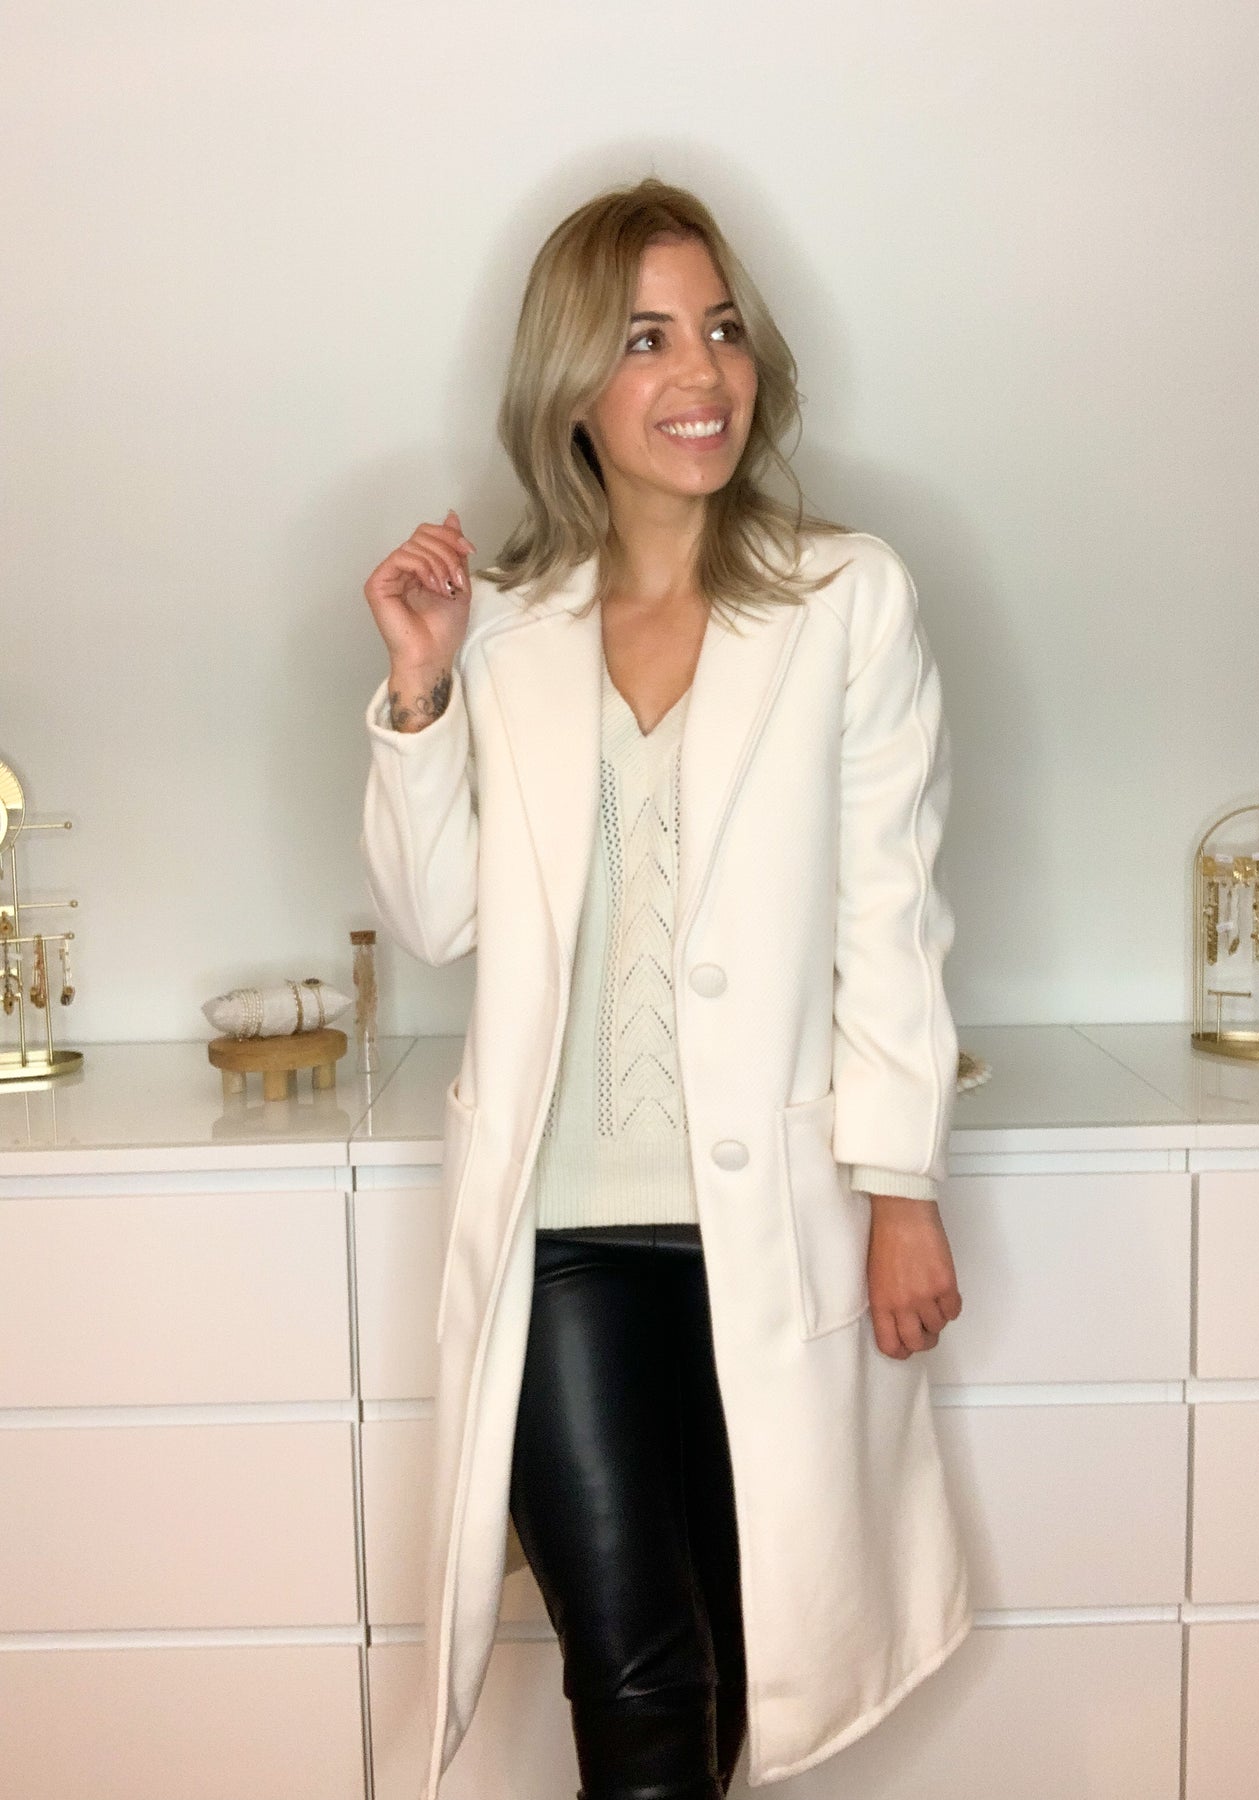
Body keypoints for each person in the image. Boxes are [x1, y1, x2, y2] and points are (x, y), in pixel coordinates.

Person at [359, 177, 969, 1800]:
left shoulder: (845, 599)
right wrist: (417, 691)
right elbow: (431, 917)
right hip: (559, 1242)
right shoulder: (505, 629)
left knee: (735, 1678)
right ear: (570, 384)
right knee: (637, 1676)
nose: (700, 373)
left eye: (719, 330)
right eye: (644, 339)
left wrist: (900, 1188)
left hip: (771, 1227)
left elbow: (891, 914)